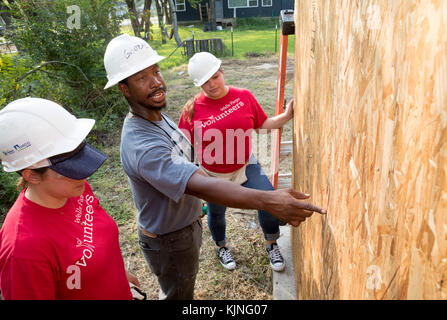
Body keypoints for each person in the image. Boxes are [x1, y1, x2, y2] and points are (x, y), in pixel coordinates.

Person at [103, 34, 326, 300]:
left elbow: (187, 156)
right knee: (178, 295)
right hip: (170, 239)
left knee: (183, 289)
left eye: (156, 71)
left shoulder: (158, 118)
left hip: (184, 227)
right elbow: (198, 183)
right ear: (124, 88)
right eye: (142, 78)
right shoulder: (144, 143)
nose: (157, 82)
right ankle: (221, 246)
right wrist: (268, 200)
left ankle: (270, 242)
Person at [0, 97, 140, 300]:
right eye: (70, 168)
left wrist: (113, 277)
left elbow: (92, 245)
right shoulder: (23, 251)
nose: (83, 174)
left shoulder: (73, 188)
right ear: (31, 175)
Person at [178, 52, 293, 272]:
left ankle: (272, 244)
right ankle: (221, 246)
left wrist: (286, 116)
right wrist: (194, 176)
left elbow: (262, 124)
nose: (212, 85)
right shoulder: (191, 110)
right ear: (198, 84)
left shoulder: (244, 96)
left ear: (222, 71)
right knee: (217, 213)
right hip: (213, 174)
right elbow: (183, 148)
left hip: (245, 166)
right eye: (204, 82)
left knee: (268, 199)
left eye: (215, 76)